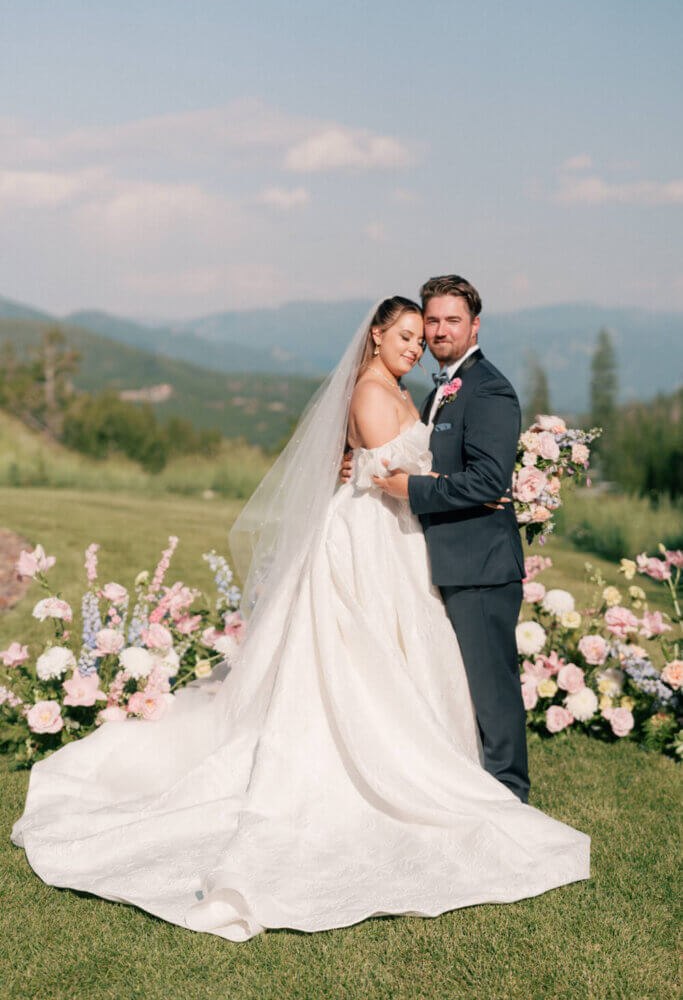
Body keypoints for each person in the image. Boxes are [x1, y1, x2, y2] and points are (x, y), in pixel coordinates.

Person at [11, 297, 590, 943]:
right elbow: (396, 469)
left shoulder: (407, 390)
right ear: (375, 335)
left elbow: (410, 464)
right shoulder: (374, 393)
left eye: (418, 339)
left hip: (398, 532)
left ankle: (439, 755)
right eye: (403, 335)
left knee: (404, 647)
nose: (413, 346)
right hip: (371, 535)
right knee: (360, 648)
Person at [340, 275, 530, 803]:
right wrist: (355, 462)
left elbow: (490, 481)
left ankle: (510, 796)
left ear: (474, 326)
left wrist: (413, 487)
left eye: (453, 320)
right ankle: (469, 787)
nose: (439, 331)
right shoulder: (434, 392)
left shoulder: (487, 387)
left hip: (481, 565)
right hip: (438, 559)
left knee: (492, 691)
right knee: (457, 688)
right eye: (432, 321)